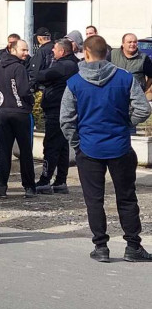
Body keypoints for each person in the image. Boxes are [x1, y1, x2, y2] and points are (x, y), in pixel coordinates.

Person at [61, 35, 152, 262]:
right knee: (127, 198)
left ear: (87, 53)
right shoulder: (125, 78)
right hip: (120, 146)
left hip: (89, 148)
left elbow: (66, 120)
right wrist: (126, 123)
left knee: (94, 200)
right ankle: (133, 246)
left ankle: (101, 247)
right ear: (108, 53)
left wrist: (76, 144)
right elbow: (143, 109)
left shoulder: (74, 82)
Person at [0, 40, 36, 198]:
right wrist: (31, 102)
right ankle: (29, 187)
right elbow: (23, 90)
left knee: (4, 151)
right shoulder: (19, 68)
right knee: (25, 151)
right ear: (13, 50)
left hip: (2, 111)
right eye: (23, 50)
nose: (26, 53)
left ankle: (0, 187)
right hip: (20, 113)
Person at [36, 39, 80, 194]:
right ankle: (60, 181)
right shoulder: (73, 64)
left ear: (62, 51)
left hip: (56, 110)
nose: (52, 51)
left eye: (54, 49)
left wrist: (33, 70)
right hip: (63, 109)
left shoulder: (63, 66)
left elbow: (41, 75)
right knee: (62, 147)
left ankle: (45, 181)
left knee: (51, 145)